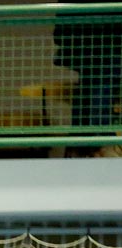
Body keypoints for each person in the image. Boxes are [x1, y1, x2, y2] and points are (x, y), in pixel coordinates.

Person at [54, 0, 122, 156]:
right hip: (100, 37)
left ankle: (85, 144)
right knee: (101, 83)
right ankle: (99, 144)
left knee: (91, 86)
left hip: (85, 39)